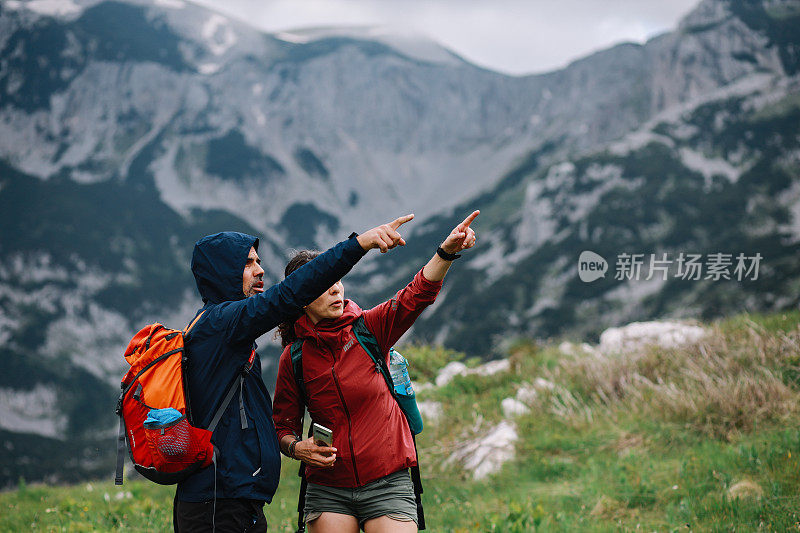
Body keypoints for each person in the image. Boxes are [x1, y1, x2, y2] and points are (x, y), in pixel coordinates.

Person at [174, 215, 416, 533]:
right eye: (247, 264)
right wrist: (359, 244)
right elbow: (289, 295)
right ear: (222, 271)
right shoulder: (223, 323)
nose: (260, 270)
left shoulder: (217, 326)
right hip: (219, 502)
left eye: (259, 261)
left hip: (229, 498)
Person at [272, 210, 480, 533]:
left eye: (338, 280)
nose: (336, 290)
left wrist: (447, 252)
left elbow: (416, 295)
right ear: (300, 297)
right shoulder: (294, 358)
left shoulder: (369, 328)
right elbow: (281, 426)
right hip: (328, 489)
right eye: (324, 285)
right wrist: (298, 448)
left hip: (388, 480)